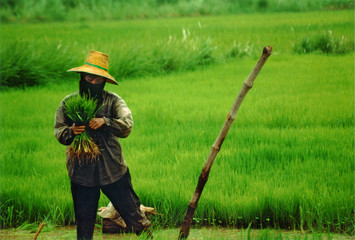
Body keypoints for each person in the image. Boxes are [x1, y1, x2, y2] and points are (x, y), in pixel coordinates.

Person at [54, 50, 151, 240]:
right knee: (84, 223)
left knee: (134, 216)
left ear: (104, 82)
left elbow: (127, 125)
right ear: (82, 77)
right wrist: (72, 131)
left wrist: (106, 121)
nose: (93, 84)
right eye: (90, 79)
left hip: (113, 170)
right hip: (81, 173)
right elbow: (59, 131)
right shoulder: (69, 102)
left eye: (98, 80)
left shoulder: (114, 101)